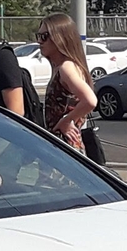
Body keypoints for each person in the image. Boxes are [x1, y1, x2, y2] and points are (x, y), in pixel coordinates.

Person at [36, 13, 96, 152]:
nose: (40, 41)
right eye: (38, 36)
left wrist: (66, 121)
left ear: (60, 38)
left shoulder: (66, 67)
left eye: (44, 37)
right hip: (62, 145)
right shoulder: (63, 66)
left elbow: (90, 101)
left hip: (64, 146)